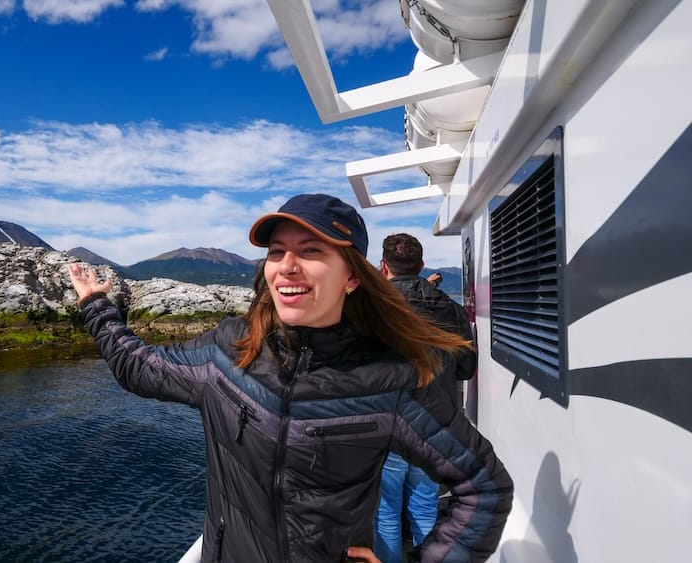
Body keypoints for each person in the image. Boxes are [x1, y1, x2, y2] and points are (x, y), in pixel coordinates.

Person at [67, 193, 512, 562]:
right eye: (277, 252)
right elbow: (139, 368)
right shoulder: (228, 351)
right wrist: (98, 308)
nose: (287, 265)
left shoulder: (388, 378)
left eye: (311, 250)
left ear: (352, 277)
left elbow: (485, 487)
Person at [374, 233, 478, 563]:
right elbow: (466, 367)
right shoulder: (451, 309)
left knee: (386, 510)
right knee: (425, 508)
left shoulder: (371, 309)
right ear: (421, 265)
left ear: (383, 266)